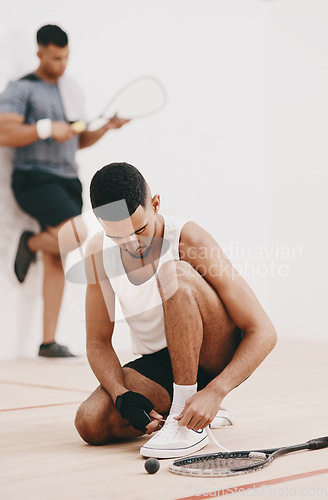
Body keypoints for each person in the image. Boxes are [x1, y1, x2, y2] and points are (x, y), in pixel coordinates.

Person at [74, 162, 277, 459]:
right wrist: (122, 396)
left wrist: (216, 391)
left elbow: (264, 331)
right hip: (160, 362)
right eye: (118, 237)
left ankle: (189, 415)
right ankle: (190, 413)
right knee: (90, 422)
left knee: (173, 274)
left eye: (139, 230)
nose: (132, 245)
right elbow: (97, 341)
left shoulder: (187, 238)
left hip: (211, 356)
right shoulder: (97, 254)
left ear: (155, 204)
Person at [0, 25, 128, 358]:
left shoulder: (71, 89)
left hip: (68, 180)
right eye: (56, 57)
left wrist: (104, 129)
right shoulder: (21, 88)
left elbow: (78, 139)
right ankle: (29, 242)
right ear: (39, 53)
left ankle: (47, 342)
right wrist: (44, 128)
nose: (62, 64)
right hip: (35, 177)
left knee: (57, 254)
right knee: (78, 233)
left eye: (67, 57)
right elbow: (3, 132)